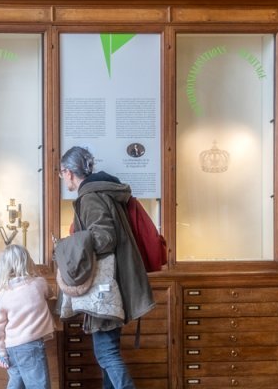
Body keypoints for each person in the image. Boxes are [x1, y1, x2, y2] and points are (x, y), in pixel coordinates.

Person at [59, 146, 155, 389]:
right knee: (107, 353)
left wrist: (69, 247)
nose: (62, 178)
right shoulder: (102, 192)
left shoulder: (90, 197)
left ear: (69, 172)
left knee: (106, 354)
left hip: (105, 289)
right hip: (114, 284)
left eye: (62, 173)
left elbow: (104, 238)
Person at [0, 244, 54, 389]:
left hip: (11, 347)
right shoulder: (39, 284)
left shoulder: (3, 294)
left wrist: (0, 352)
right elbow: (50, 295)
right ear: (27, 261)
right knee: (39, 385)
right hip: (31, 345)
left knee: (16, 383)